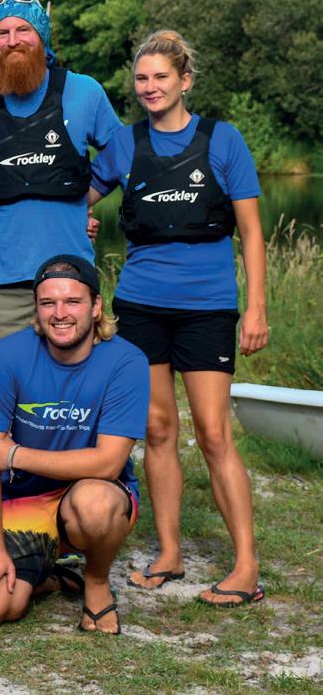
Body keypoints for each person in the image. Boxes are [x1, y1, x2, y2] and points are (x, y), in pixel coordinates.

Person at [89, 30, 268, 607]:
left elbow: (252, 232)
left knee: (213, 432)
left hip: (207, 307)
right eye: (141, 79)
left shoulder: (222, 140)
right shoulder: (125, 143)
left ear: (184, 81)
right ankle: (169, 553)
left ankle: (246, 567)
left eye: (161, 77)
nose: (150, 87)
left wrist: (256, 307)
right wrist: (81, 223)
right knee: (157, 428)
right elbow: (77, 198)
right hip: (141, 304)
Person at [0, 255, 149, 635]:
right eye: (48, 303)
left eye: (72, 301)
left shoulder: (127, 361)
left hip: (92, 491)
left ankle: (96, 581)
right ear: (36, 309)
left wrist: (14, 454)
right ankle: (49, 575)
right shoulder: (9, 354)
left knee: (95, 505)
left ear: (96, 306)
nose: (60, 313)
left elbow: (108, 463)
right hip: (24, 498)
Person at [0, 0, 121, 394]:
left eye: (24, 30)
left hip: (69, 281)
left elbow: (123, 156)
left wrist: (83, 199)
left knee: (73, 397)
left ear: (42, 36)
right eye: (2, 33)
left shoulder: (84, 92)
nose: (13, 41)